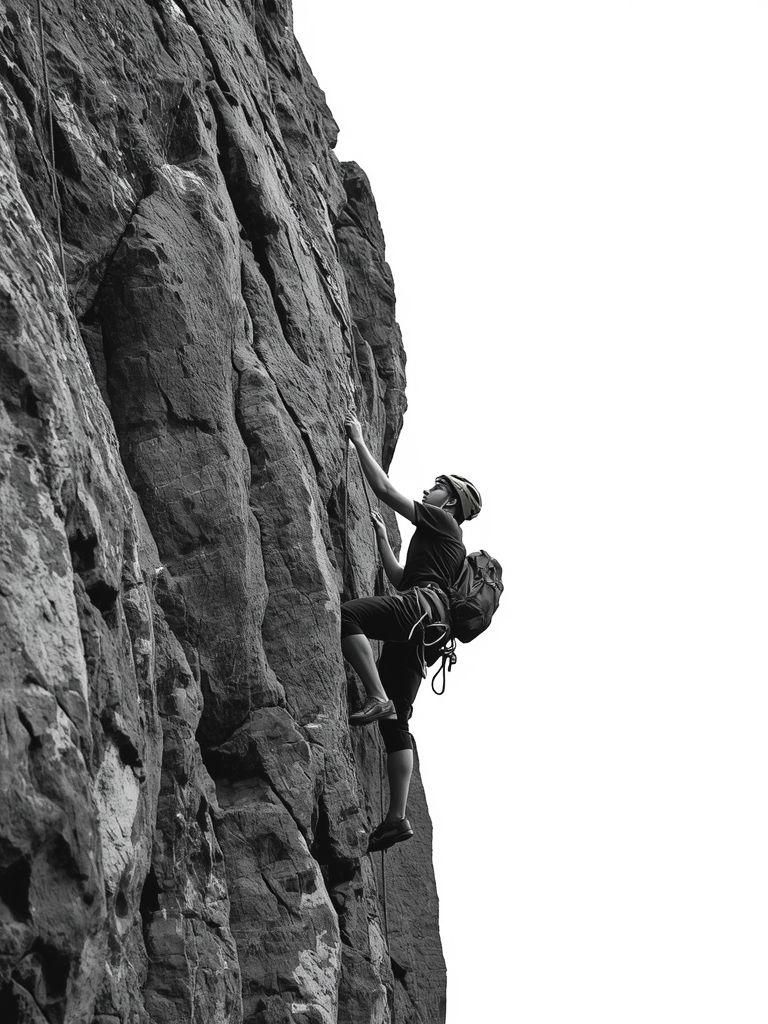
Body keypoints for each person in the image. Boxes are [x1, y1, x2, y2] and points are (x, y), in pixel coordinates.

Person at [341, 411, 482, 852]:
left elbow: (383, 489)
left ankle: (375, 695)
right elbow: (403, 577)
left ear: (451, 501)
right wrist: (383, 539)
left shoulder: (443, 523)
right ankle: (397, 818)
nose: (428, 489)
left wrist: (359, 438)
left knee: (347, 616)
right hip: (426, 637)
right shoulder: (449, 548)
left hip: (417, 614)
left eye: (437, 486)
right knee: (397, 723)